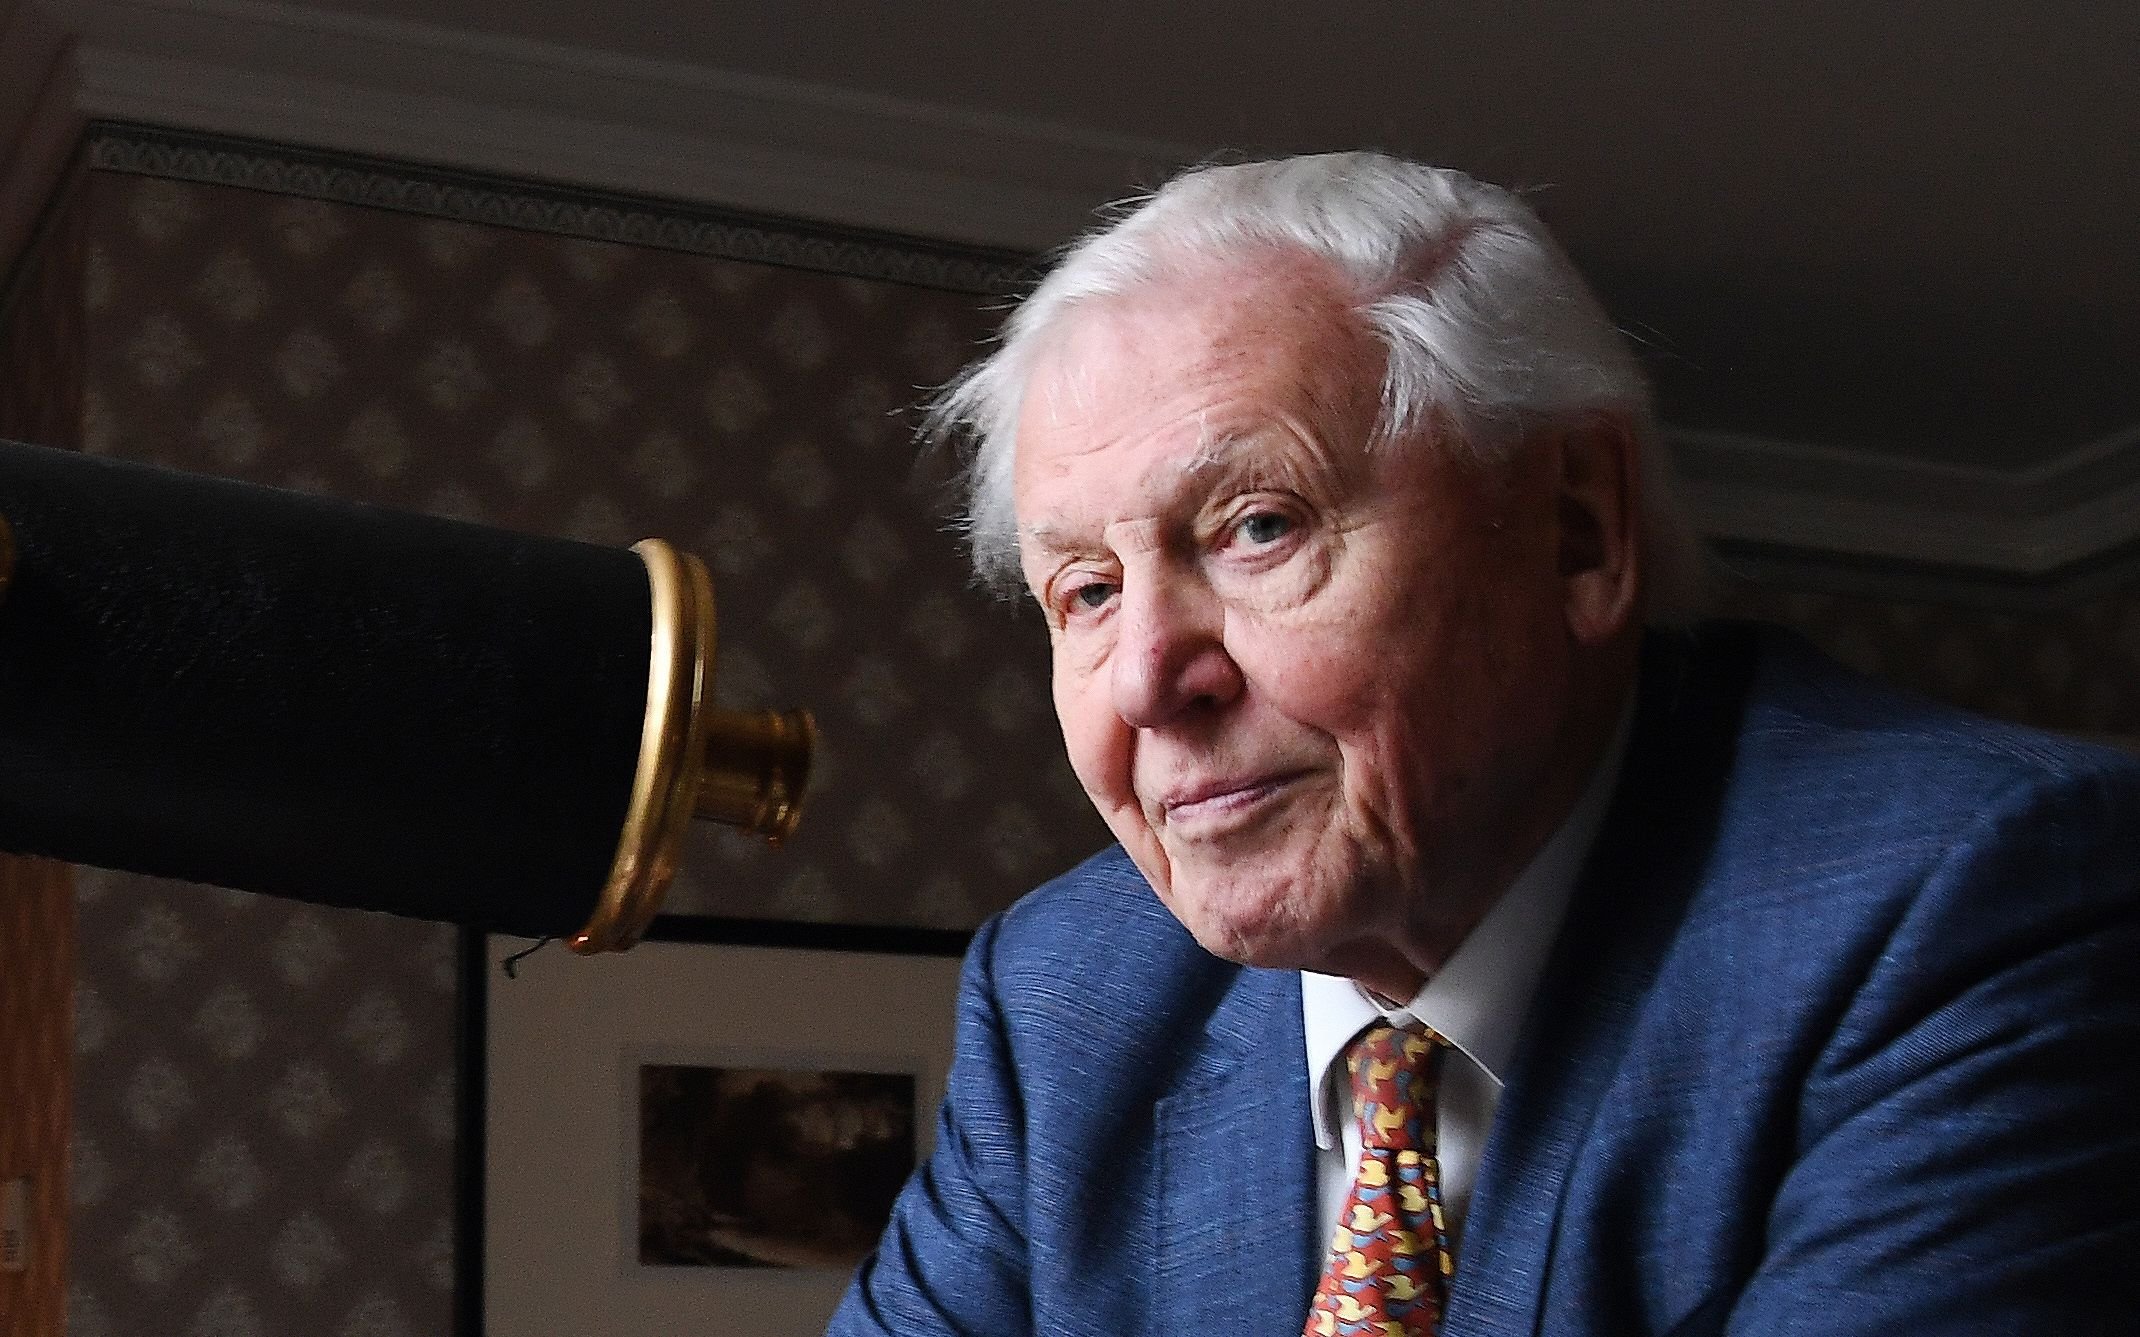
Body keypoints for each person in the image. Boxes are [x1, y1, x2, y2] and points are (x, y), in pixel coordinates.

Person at [826, 151, 2140, 1336]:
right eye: (1087, 592)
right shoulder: (1069, 998)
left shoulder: (1983, 906)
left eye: (1259, 527)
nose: (1149, 681)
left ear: (1577, 530)